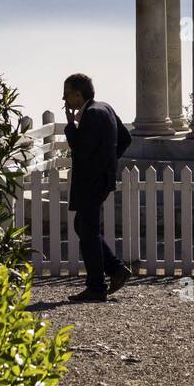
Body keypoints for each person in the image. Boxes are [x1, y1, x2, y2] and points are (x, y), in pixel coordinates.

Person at [62, 74, 133, 303]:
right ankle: (115, 269)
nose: (64, 98)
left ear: (77, 94)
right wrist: (108, 164)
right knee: (83, 226)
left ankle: (96, 286)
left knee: (88, 232)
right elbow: (125, 139)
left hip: (90, 182)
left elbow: (81, 151)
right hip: (101, 180)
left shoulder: (92, 114)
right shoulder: (106, 108)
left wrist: (71, 128)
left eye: (67, 93)